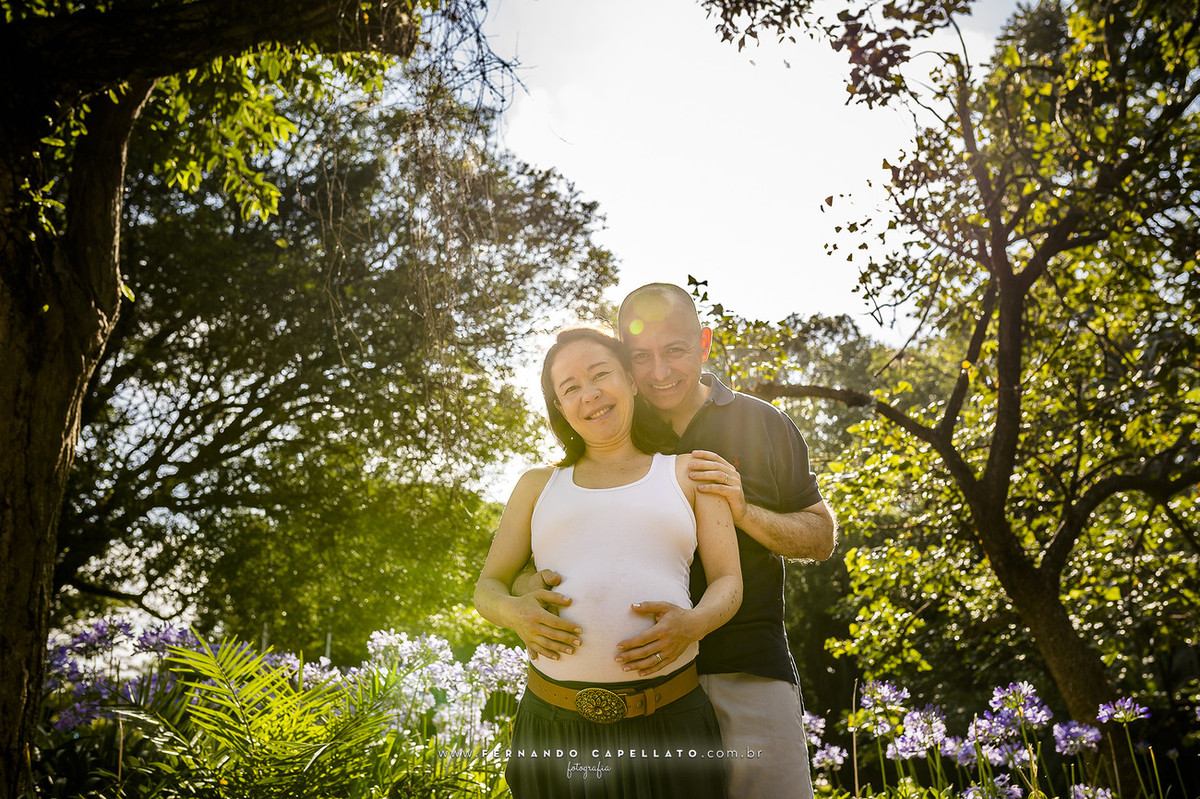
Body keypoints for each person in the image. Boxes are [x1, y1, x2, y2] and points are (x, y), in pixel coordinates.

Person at [517, 284, 837, 799]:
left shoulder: (763, 423)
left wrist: (742, 510)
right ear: (624, 364)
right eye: (642, 357)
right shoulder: (612, 426)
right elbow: (557, 532)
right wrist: (527, 581)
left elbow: (820, 537)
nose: (660, 372)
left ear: (705, 344)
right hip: (642, 687)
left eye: (676, 351)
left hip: (745, 666)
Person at [474, 326, 742, 798]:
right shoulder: (537, 485)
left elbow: (728, 582)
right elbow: (488, 586)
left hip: (669, 724)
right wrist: (513, 611)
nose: (590, 394)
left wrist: (693, 624)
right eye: (570, 388)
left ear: (632, 381)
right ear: (560, 407)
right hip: (550, 727)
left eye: (601, 375)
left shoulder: (689, 471)